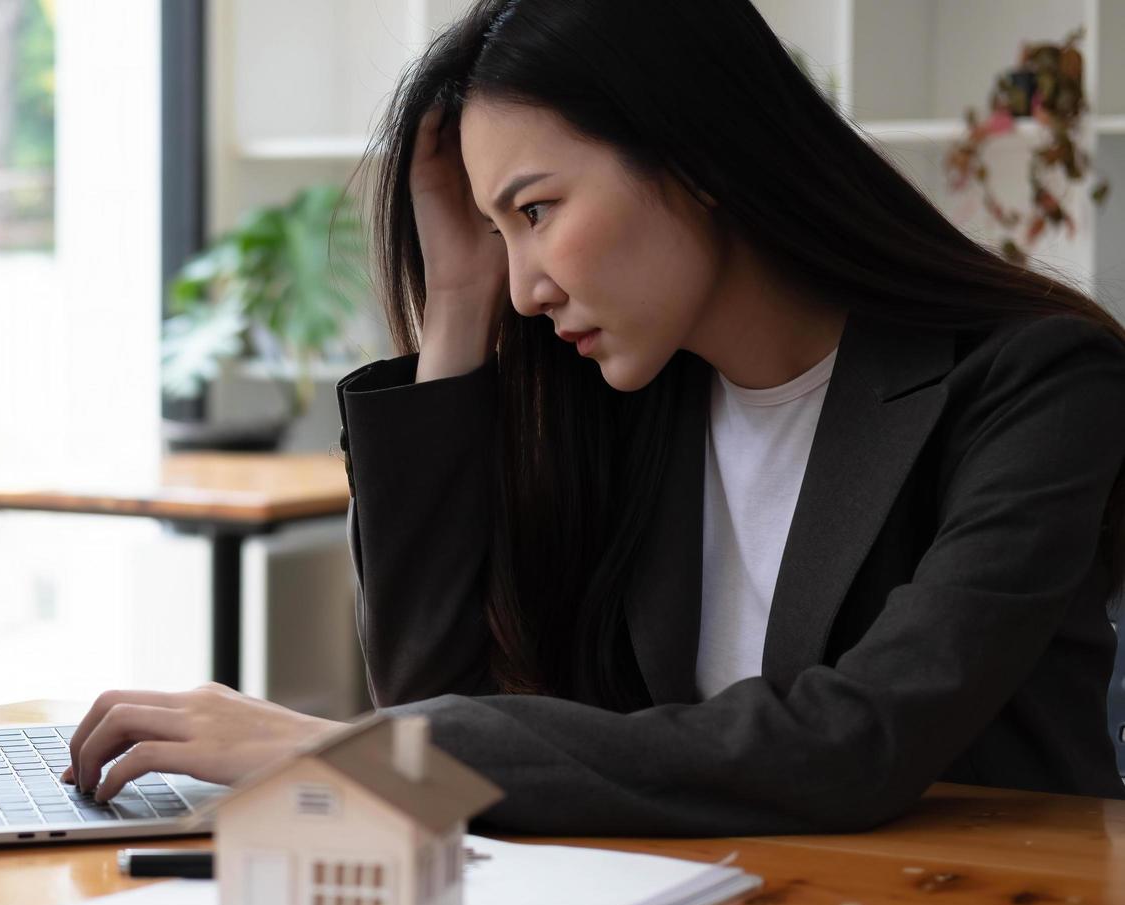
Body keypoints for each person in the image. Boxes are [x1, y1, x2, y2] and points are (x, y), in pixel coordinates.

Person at [62, 0, 1125, 835]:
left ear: (696, 159)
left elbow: (857, 742)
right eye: (497, 228)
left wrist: (352, 752)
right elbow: (432, 689)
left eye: (535, 211)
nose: (526, 286)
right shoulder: (628, 405)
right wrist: (458, 304)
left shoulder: (1034, 385)